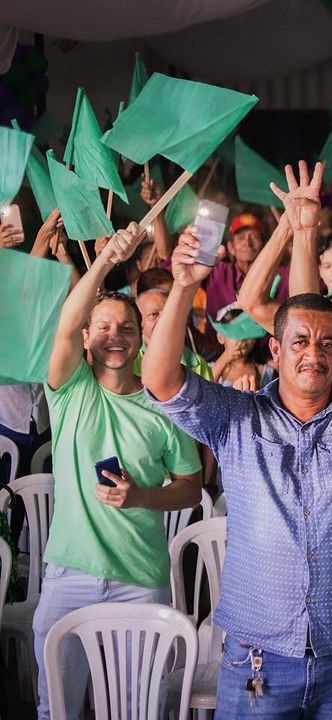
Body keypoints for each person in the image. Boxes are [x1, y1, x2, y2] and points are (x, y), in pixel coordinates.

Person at [141, 162, 332, 718]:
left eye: (328, 344)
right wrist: (186, 284)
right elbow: (161, 382)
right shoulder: (237, 419)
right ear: (274, 352)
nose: (315, 353)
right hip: (259, 653)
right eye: (300, 342)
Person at [32, 223, 203, 720]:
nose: (114, 337)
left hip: (141, 580)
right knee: (55, 709)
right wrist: (106, 258)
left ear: (140, 338)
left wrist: (142, 497)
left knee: (136, 709)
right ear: (86, 336)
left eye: (126, 328)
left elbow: (190, 490)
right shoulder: (69, 389)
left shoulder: (162, 405)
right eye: (102, 327)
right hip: (68, 575)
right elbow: (62, 324)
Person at [204, 213, 290, 320]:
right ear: (231, 247)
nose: (248, 243)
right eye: (240, 238)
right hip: (217, 337)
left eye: (254, 237)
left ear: (264, 245)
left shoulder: (281, 276)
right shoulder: (218, 272)